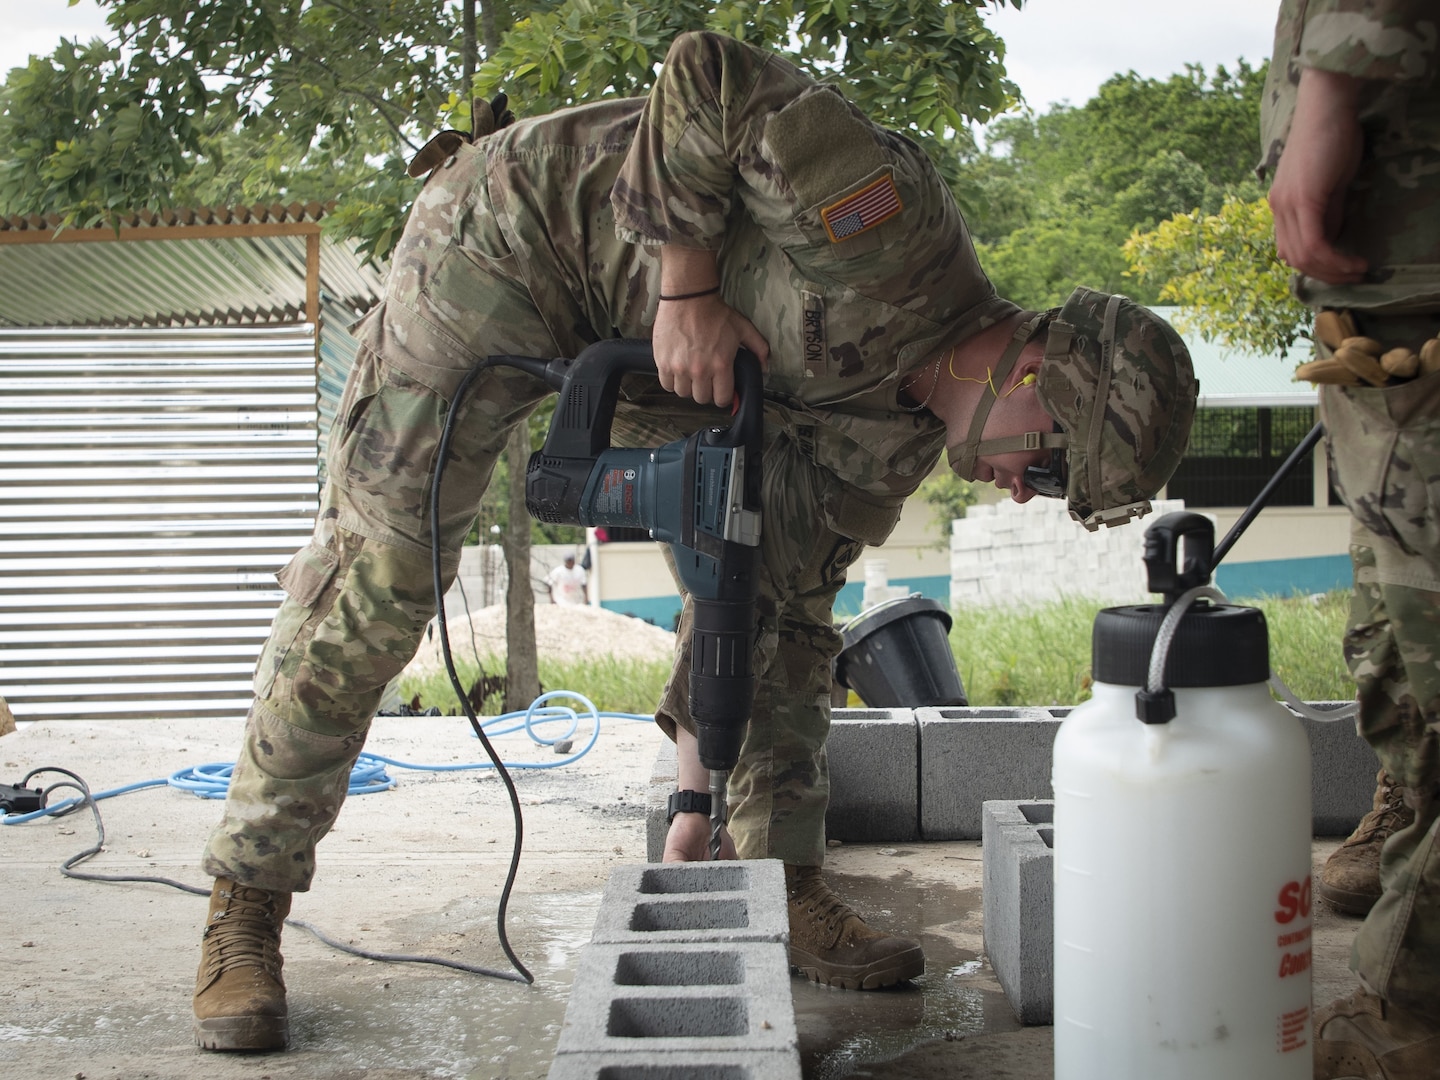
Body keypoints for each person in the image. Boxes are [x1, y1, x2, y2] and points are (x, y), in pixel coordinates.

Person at [191, 30, 1196, 1051]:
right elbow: (708, 73)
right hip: (512, 241)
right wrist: (687, 289)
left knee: (790, 599)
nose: (1027, 492)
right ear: (1037, 380)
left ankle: (783, 879)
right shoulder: (891, 234)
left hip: (643, 364)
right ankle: (246, 905)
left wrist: (698, 796)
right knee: (386, 569)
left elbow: (778, 619)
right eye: (1053, 467)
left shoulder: (895, 440)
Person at [1260, 1, 1440, 1074]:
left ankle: (1413, 1012)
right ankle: (1404, 824)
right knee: (1399, 648)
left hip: (1414, 260)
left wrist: (1335, 84)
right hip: (1385, 293)